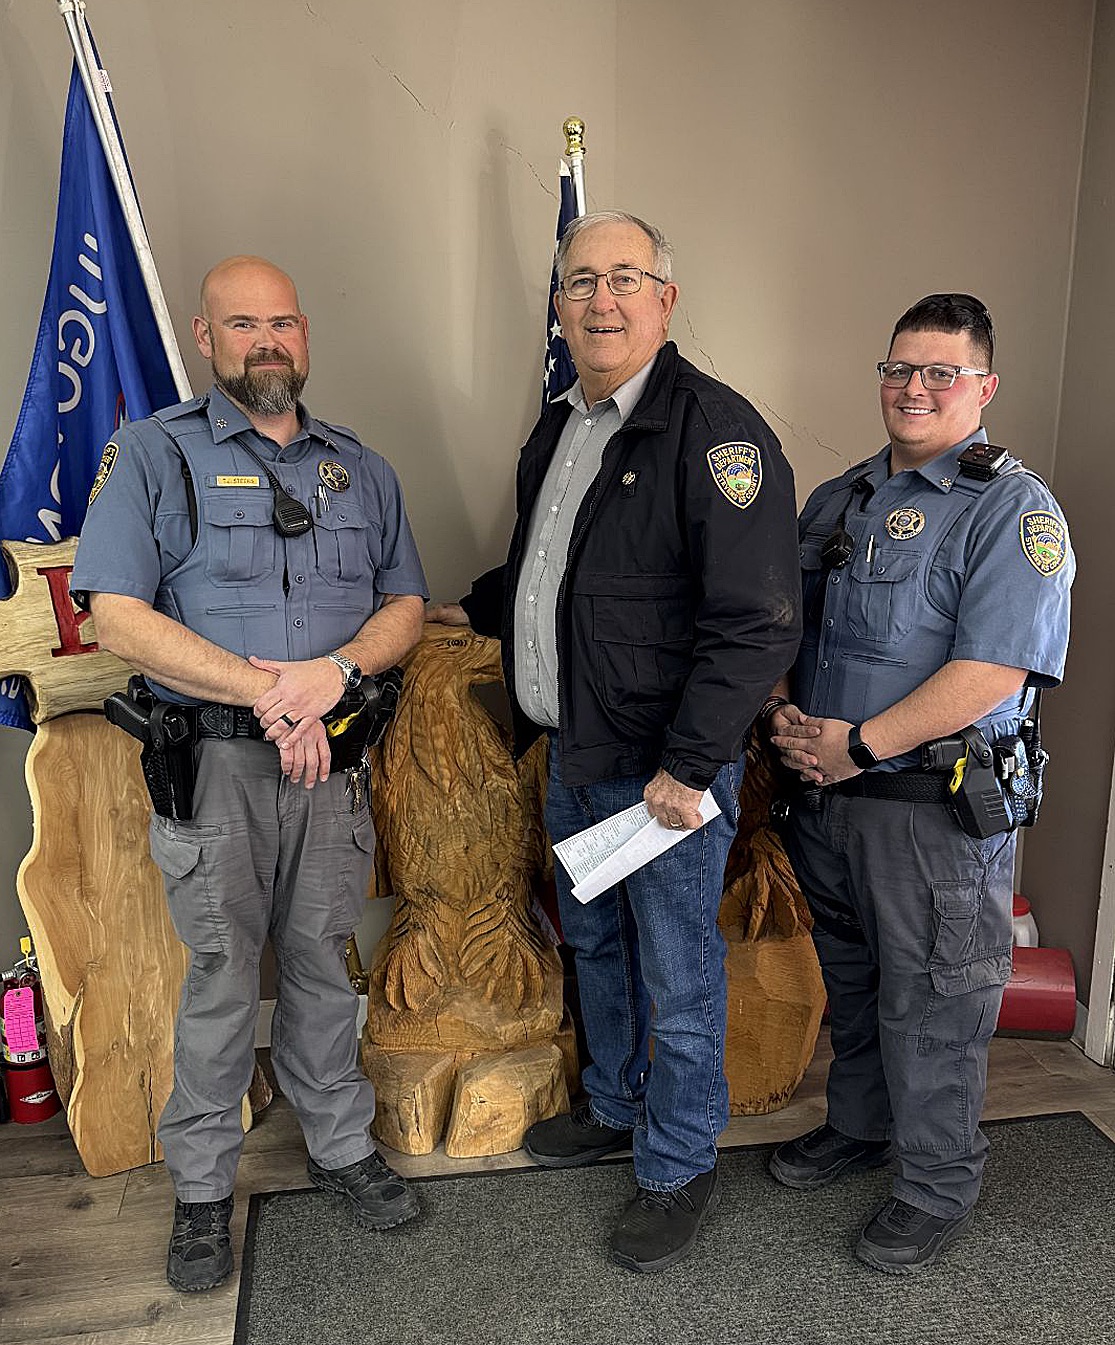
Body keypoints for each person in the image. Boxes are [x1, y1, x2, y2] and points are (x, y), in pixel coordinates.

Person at [431, 211, 801, 1273]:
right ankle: (613, 1103)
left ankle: (677, 1163)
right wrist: (467, 612)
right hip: (574, 751)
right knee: (594, 945)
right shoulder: (563, 425)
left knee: (678, 974)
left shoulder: (715, 433)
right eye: (580, 280)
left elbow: (756, 620)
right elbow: (551, 573)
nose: (600, 299)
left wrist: (689, 767)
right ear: (557, 306)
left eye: (623, 278)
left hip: (661, 774)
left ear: (664, 300)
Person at [70, 256, 428, 1292]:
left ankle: (342, 1149)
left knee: (323, 960)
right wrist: (269, 691)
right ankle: (197, 1191)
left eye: (281, 323)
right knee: (224, 975)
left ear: (304, 334)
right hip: (216, 763)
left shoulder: (359, 469)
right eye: (242, 325)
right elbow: (116, 615)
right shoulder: (151, 455)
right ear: (204, 337)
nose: (265, 341)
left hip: (334, 762)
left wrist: (333, 675)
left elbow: (403, 605)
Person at [766, 293, 1073, 1275]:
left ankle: (934, 1183)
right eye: (897, 368)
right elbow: (782, 622)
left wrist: (857, 744)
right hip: (823, 801)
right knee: (851, 986)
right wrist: (781, 710)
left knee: (935, 1004)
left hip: (929, 812)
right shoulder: (836, 497)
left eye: (939, 371)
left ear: (980, 386)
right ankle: (858, 1125)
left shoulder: (1010, 509)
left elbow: (992, 671)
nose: (912, 387)